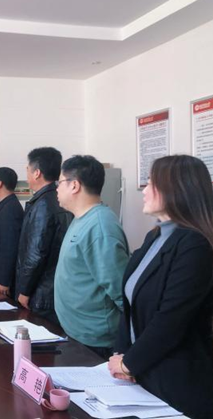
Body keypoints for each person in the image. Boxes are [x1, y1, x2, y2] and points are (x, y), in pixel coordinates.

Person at [107, 155, 213, 419]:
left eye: (152, 183)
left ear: (178, 189)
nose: (144, 189)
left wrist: (129, 363)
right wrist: (122, 355)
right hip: (142, 373)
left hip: (176, 381)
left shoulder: (195, 245)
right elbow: (130, 304)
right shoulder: (154, 237)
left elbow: (171, 320)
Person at [54, 155, 128, 358]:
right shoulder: (81, 218)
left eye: (60, 183)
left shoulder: (100, 227)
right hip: (77, 333)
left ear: (74, 185)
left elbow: (121, 290)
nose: (57, 189)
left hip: (95, 341)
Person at [15, 148, 72, 325]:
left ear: (37, 172)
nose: (26, 174)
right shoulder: (56, 198)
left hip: (41, 292)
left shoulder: (43, 205)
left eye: (27, 169)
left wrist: (24, 290)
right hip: (54, 287)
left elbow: (36, 253)